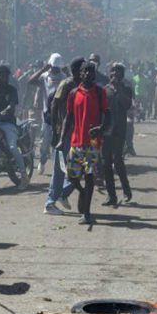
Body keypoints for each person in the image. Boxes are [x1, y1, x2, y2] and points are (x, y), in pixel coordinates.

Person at [58, 62, 110, 225]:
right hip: (76, 141)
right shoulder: (74, 93)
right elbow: (68, 118)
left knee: (89, 176)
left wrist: (101, 128)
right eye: (84, 71)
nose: (88, 74)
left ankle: (86, 213)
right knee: (72, 176)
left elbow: (108, 115)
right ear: (80, 74)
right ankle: (82, 192)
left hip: (93, 142)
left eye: (90, 71)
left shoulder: (100, 92)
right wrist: (61, 139)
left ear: (94, 74)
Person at [42, 56, 85, 215]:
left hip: (78, 133)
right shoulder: (66, 84)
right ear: (76, 71)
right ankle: (50, 203)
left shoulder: (83, 85)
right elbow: (54, 105)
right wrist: (55, 131)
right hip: (64, 133)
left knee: (80, 168)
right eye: (83, 69)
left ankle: (63, 193)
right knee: (60, 169)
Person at [28, 53, 67, 175]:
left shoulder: (64, 77)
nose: (55, 70)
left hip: (61, 115)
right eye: (53, 67)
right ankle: (42, 161)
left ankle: (60, 167)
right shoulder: (45, 76)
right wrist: (43, 70)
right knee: (45, 141)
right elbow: (31, 81)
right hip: (47, 114)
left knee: (60, 141)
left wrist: (68, 72)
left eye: (57, 68)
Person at [102, 63, 133, 206]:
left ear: (122, 75)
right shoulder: (104, 90)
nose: (114, 75)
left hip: (119, 130)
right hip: (106, 130)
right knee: (106, 162)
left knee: (118, 160)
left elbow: (127, 104)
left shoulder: (126, 89)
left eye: (117, 72)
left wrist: (118, 90)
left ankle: (126, 191)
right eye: (112, 72)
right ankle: (111, 196)